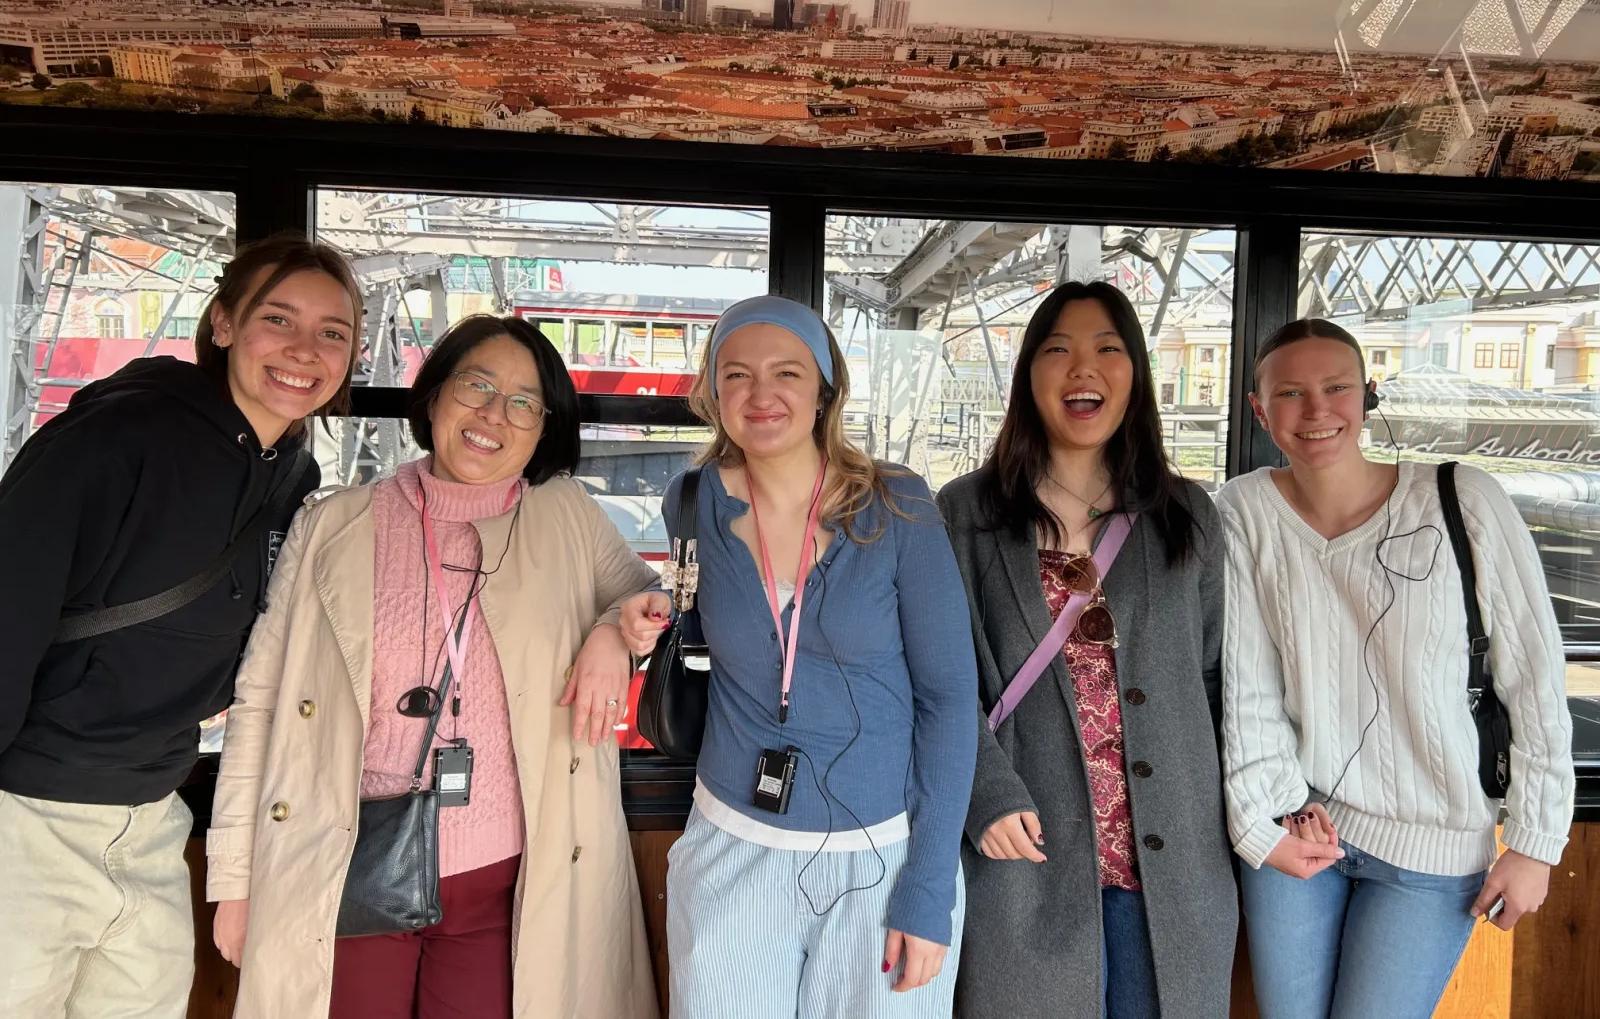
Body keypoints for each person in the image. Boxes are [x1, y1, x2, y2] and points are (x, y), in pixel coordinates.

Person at [206, 314, 660, 1019]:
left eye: (522, 403)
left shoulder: (567, 516)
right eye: (476, 386)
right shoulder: (333, 523)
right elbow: (260, 700)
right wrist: (233, 880)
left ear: (545, 427)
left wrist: (611, 632)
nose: (492, 416)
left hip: (504, 883)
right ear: (435, 395)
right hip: (350, 866)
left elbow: (650, 606)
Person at [0, 234, 359, 1017]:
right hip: (25, 814)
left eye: (334, 332)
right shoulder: (114, 439)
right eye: (279, 319)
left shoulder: (295, 478)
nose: (306, 350)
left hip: (157, 817)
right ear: (223, 324)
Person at [619, 294, 977, 1018]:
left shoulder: (898, 504)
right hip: (732, 844)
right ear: (712, 391)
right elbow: (676, 609)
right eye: (736, 374)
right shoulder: (691, 501)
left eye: (787, 372)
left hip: (881, 858)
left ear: (824, 389)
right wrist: (614, 627)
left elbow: (947, 701)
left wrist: (930, 887)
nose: (761, 394)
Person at [1218, 317, 1575, 1019]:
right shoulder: (1243, 508)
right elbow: (1246, 687)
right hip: (1302, 829)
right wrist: (1270, 820)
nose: (1316, 411)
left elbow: (1534, 680)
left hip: (1434, 848)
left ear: (1367, 395)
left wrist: (1535, 843)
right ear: (1260, 411)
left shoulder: (1462, 500)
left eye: (1336, 388)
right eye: (1290, 393)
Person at [935, 281, 1236, 1019]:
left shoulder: (1184, 511)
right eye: (1058, 351)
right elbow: (939, 680)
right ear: (1028, 375)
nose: (1083, 370)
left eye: (1108, 349)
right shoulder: (966, 514)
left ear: (1135, 373)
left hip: (1170, 857)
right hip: (1026, 847)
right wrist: (985, 798)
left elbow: (1216, 674)